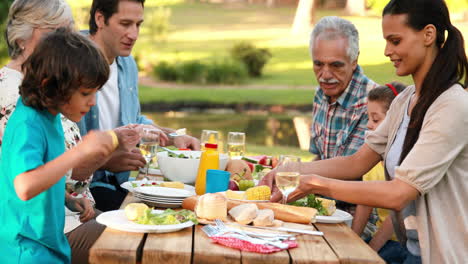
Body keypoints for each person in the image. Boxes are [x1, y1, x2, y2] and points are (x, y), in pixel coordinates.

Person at [267, 0, 468, 262]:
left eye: (395, 41)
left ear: (428, 35)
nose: (387, 51)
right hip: (412, 250)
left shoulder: (452, 106)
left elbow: (399, 193)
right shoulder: (404, 101)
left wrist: (316, 184)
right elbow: (356, 163)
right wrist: (289, 171)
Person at [0, 1, 136, 263]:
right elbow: (24, 185)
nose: (93, 102)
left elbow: (33, 171)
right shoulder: (27, 123)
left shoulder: (48, 116)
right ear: (51, 85)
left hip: (49, 244)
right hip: (27, 251)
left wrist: (67, 199)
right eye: (85, 93)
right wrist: (81, 153)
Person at [78, 0, 200, 211]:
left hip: (121, 185)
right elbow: (62, 148)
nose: (134, 35)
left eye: (138, 25)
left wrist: (172, 137)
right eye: (125, 24)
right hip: (82, 194)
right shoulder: (72, 60)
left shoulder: (126, 62)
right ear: (100, 19)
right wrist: (107, 160)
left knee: (186, 209)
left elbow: (133, 121)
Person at [351, 82, 408, 263]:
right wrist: (352, 241)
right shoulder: (374, 158)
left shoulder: (404, 161)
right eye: (368, 118)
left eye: (375, 120)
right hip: (379, 237)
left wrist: (370, 251)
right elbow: (365, 202)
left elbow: (396, 216)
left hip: (400, 243)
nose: (368, 124)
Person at [308, 16, 378, 161]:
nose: (325, 75)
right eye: (318, 64)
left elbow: (352, 169)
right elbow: (321, 158)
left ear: (354, 61)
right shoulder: (321, 94)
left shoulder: (373, 102)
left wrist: (297, 171)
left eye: (336, 65)